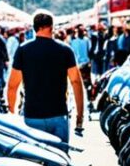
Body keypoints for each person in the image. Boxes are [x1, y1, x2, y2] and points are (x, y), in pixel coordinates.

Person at [7, 10, 84, 144]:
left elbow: (13, 86)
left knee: (33, 161)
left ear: (34, 27)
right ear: (51, 27)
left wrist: (12, 113)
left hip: (31, 116)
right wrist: (80, 116)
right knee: (59, 160)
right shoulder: (65, 50)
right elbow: (76, 82)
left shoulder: (23, 50)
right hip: (58, 114)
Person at [69, 27, 91, 92]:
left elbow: (73, 52)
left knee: (81, 80)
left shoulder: (73, 42)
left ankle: (83, 92)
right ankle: (90, 94)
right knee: (88, 79)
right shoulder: (86, 40)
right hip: (86, 62)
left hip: (78, 64)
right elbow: (89, 49)